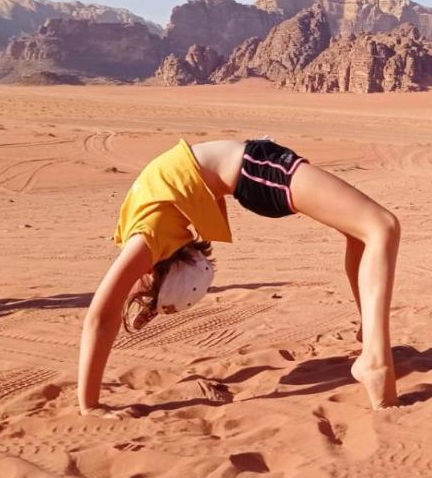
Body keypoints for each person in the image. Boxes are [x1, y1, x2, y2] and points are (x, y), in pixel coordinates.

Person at [76, 138, 400, 413]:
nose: (140, 288)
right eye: (149, 290)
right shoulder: (148, 239)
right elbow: (100, 318)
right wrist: (89, 406)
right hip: (253, 169)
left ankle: (368, 333)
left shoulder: (141, 236)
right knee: (381, 226)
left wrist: (149, 302)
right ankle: (374, 361)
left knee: (358, 231)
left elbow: (111, 308)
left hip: (253, 167)